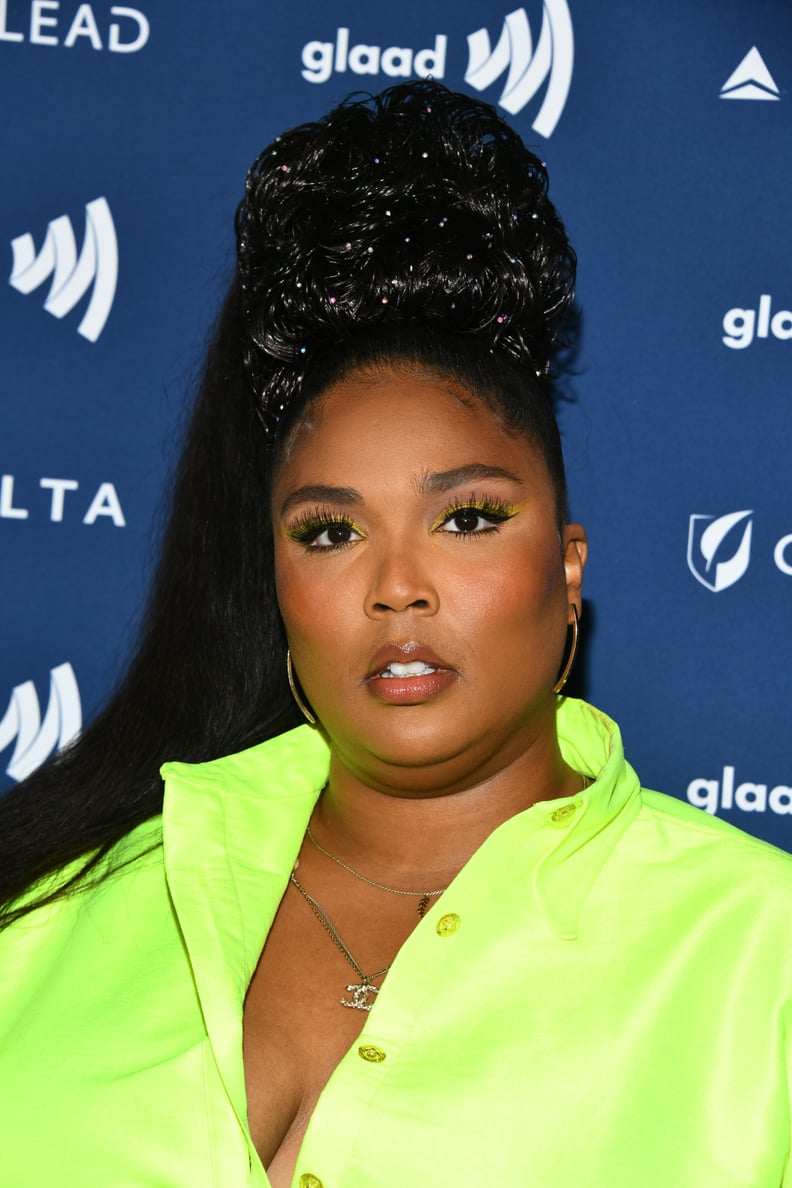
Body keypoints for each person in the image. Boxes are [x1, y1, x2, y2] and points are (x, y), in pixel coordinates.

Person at [0, 80, 790, 1188]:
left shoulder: (760, 956)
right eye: (330, 532)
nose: (397, 587)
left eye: (467, 518)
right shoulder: (59, 912)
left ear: (567, 571)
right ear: (275, 578)